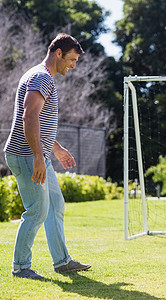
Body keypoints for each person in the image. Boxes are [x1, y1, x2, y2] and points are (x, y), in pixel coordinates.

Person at [3, 33, 91, 280]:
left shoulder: (41, 77)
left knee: (55, 205)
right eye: (72, 59)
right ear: (58, 53)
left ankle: (62, 261)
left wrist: (56, 148)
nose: (73, 65)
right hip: (26, 155)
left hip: (37, 154)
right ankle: (21, 267)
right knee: (37, 211)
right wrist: (38, 157)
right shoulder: (41, 77)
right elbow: (29, 118)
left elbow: (39, 122)